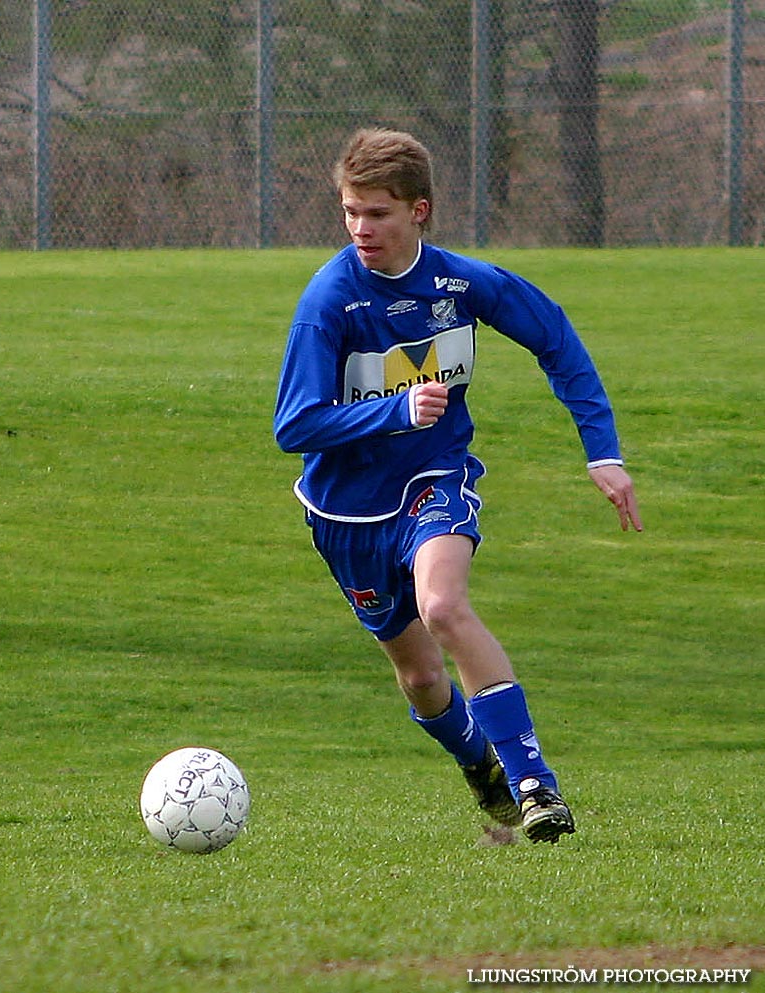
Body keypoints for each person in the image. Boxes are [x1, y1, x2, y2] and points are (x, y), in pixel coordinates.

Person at [273, 128, 642, 844]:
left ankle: (536, 783)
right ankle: (482, 768)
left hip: (434, 480)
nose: (359, 228)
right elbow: (295, 423)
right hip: (344, 513)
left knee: (443, 605)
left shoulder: (458, 283)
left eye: (376, 212)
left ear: (420, 210)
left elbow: (555, 338)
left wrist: (603, 452)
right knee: (419, 678)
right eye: (350, 211)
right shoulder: (329, 300)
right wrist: (395, 407)